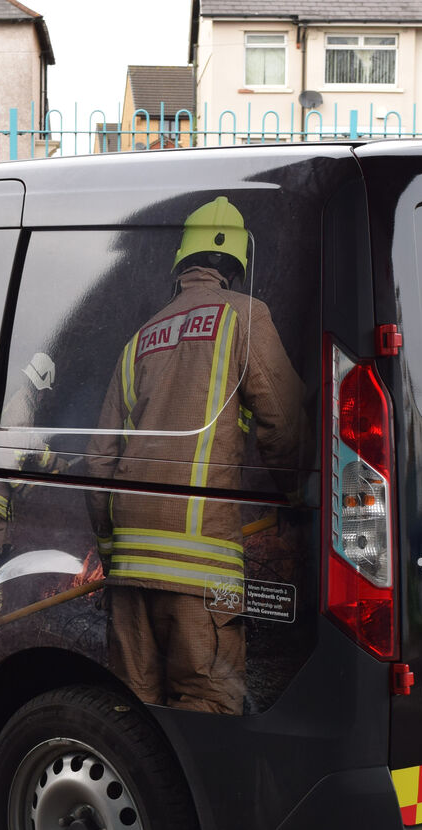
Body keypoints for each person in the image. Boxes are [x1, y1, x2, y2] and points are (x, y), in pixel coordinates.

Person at [87, 196, 303, 714]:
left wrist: (112, 551)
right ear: (237, 264)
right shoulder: (245, 316)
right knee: (208, 706)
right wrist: (297, 498)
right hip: (204, 570)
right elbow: (284, 421)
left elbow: (98, 460)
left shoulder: (139, 340)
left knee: (135, 715)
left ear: (181, 261)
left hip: (131, 567)